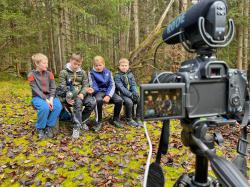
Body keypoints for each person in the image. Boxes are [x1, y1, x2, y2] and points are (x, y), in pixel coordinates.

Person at [59, 53, 96, 139]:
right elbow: (63, 87)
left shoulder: (82, 72)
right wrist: (68, 97)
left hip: (82, 94)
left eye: (79, 64)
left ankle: (82, 121)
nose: (76, 66)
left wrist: (83, 93)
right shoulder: (63, 72)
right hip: (70, 95)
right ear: (70, 61)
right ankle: (76, 127)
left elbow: (85, 85)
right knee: (78, 103)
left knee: (92, 102)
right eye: (75, 64)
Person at [28, 53, 62, 140]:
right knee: (44, 108)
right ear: (37, 64)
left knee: (58, 106)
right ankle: (40, 128)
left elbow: (53, 87)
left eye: (47, 63)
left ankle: (49, 127)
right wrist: (46, 100)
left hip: (51, 96)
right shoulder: (31, 75)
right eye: (44, 63)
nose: (46, 65)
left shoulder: (50, 74)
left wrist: (51, 98)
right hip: (38, 97)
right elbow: (36, 90)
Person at [89, 56, 123, 132]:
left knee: (119, 100)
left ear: (104, 64)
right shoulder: (91, 73)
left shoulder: (108, 72)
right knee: (98, 100)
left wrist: (108, 95)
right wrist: (95, 91)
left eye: (100, 65)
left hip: (108, 91)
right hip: (98, 92)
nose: (98, 67)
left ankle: (115, 119)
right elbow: (93, 85)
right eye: (96, 66)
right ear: (94, 66)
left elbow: (112, 84)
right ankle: (98, 122)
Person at [114, 58, 142, 127]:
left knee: (139, 99)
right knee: (129, 102)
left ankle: (138, 117)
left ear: (128, 66)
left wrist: (135, 92)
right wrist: (130, 95)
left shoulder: (130, 74)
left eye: (125, 65)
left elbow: (133, 84)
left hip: (131, 93)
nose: (124, 67)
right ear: (119, 67)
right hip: (122, 94)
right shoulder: (117, 76)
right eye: (122, 65)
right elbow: (121, 88)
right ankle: (129, 119)